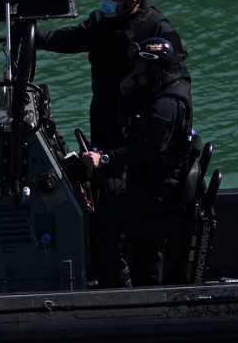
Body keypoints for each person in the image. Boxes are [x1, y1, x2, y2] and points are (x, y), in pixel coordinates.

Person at [79, 37, 194, 287]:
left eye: (142, 67)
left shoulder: (165, 106)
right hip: (152, 180)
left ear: (155, 69)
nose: (137, 72)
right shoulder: (167, 89)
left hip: (157, 191)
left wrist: (106, 159)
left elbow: (146, 151)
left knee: (107, 226)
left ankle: (127, 292)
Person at [35, 0, 187, 147]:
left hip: (135, 117)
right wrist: (35, 37)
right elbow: (72, 38)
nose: (106, 2)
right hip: (103, 110)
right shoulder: (103, 21)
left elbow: (176, 76)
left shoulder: (157, 28)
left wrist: (160, 116)